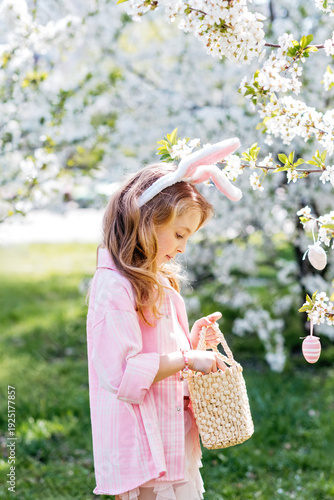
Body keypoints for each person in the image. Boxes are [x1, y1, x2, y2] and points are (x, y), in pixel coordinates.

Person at [86, 138, 242, 499]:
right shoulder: (113, 286)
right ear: (146, 220)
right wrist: (188, 359)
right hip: (144, 445)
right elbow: (124, 373)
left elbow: (159, 351)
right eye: (179, 233)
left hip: (172, 436)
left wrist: (192, 342)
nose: (183, 246)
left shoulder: (160, 280)